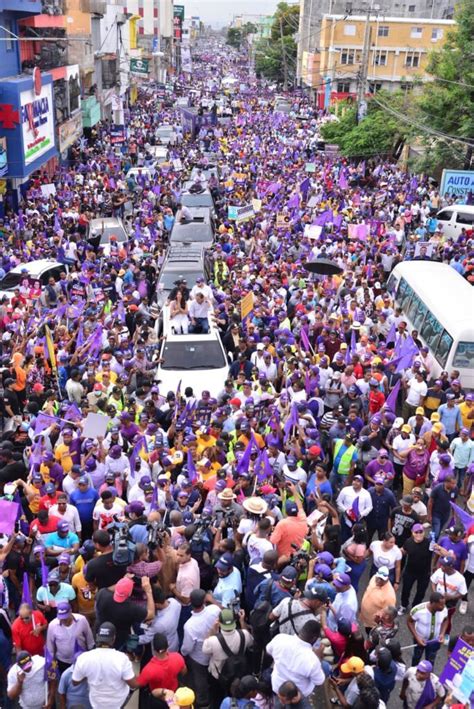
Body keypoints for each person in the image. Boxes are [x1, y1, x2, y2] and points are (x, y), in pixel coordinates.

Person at [72, 622, 137, 708]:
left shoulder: (84, 658)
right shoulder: (122, 658)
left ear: (97, 637)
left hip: (96, 703)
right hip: (118, 703)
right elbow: (133, 684)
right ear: (113, 638)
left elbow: (75, 682)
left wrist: (89, 673)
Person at [266, 620, 326, 697]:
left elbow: (268, 650)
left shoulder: (280, 638)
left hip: (277, 687)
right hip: (298, 695)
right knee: (326, 667)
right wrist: (319, 660)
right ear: (314, 638)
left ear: (301, 630)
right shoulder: (312, 660)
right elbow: (319, 682)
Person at [95, 575, 154, 650]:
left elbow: (108, 589)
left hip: (101, 634)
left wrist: (123, 582)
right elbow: (151, 614)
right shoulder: (131, 608)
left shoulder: (102, 594)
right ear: (129, 594)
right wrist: (148, 590)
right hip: (119, 640)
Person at [46, 601, 94, 673]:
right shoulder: (52, 625)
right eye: (61, 618)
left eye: (66, 617)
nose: (64, 620)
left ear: (71, 611)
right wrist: (52, 663)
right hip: (63, 662)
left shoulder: (82, 620)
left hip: (82, 659)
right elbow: (50, 647)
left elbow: (89, 639)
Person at [407, 592, 448, 666]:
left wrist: (442, 633)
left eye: (443, 604)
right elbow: (409, 622)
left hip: (435, 641)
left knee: (431, 660)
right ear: (433, 603)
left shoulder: (444, 610)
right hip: (420, 640)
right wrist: (417, 638)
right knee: (416, 657)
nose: (443, 607)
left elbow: (445, 620)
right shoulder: (418, 610)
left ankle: (428, 675)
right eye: (440, 605)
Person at [399, 524, 432, 614]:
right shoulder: (408, 542)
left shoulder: (429, 543)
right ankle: (403, 605)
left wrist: (446, 553)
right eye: (416, 532)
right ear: (412, 533)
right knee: (405, 590)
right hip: (410, 571)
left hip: (424, 573)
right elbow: (403, 551)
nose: (419, 534)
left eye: (420, 532)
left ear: (424, 532)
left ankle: (415, 608)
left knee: (421, 593)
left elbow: (440, 551)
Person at [360, 567, 396, 631]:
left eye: (382, 579)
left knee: (371, 636)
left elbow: (388, 616)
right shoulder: (374, 578)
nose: (378, 580)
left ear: (387, 579)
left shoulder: (389, 596)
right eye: (378, 577)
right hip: (364, 616)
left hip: (373, 624)